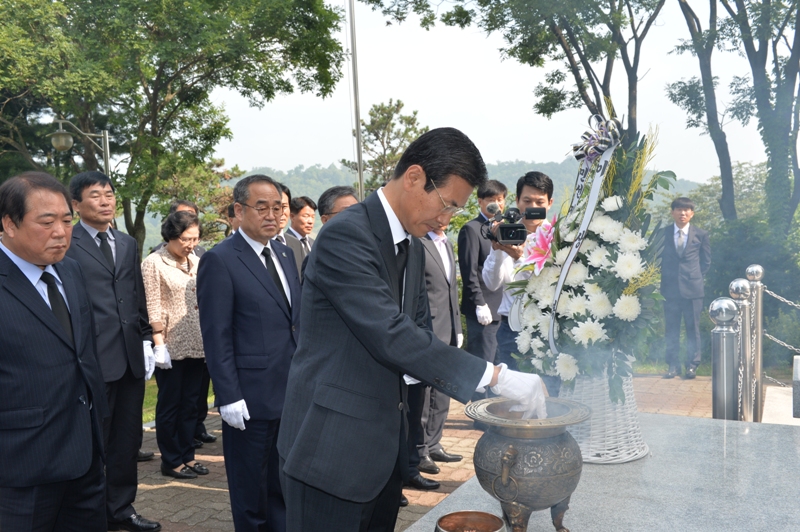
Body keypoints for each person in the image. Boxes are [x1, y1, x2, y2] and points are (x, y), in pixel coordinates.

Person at [277, 127, 546, 532]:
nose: (445, 219)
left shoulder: (413, 246)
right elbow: (390, 334)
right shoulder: (346, 235)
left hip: (382, 455)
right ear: (415, 177)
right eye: (446, 204)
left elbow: (419, 333)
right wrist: (495, 376)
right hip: (330, 452)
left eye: (455, 210)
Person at [0, 172, 109, 531]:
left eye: (66, 220)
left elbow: (83, 353)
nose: (61, 232)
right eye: (47, 223)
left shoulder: (71, 271)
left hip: (85, 458)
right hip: (21, 469)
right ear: (9, 224)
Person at [197, 174, 301, 532]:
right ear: (239, 211)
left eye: (278, 207)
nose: (272, 215)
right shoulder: (221, 259)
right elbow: (217, 334)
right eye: (262, 208)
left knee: (281, 481)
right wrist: (228, 395)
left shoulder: (285, 253)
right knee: (250, 488)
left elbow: (293, 322)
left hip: (289, 389)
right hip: (249, 397)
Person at [66, 171, 161, 532]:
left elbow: (135, 295)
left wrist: (146, 339)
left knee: (126, 440)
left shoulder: (126, 242)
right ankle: (90, 514)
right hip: (92, 359)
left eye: (109, 194)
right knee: (95, 442)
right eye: (95, 195)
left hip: (130, 358)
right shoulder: (67, 242)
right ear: (76, 204)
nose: (105, 201)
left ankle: (121, 509)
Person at [141, 211, 209, 480]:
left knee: (192, 403)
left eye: (195, 238)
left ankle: (187, 455)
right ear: (171, 236)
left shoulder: (197, 261)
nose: (191, 244)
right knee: (171, 404)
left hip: (198, 343)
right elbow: (152, 304)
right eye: (185, 239)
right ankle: (171, 460)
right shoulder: (153, 263)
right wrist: (158, 343)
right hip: (170, 345)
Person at [482, 172, 559, 393]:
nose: (532, 207)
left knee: (553, 394)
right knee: (514, 396)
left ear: (550, 203)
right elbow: (491, 284)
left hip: (547, 328)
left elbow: (544, 283)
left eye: (539, 202)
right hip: (510, 330)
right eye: (527, 201)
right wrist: (498, 250)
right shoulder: (507, 231)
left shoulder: (558, 238)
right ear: (517, 201)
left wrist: (519, 257)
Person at [406, 220, 466, 487]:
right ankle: (420, 450)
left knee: (443, 391)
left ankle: (434, 443)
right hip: (429, 329)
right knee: (424, 393)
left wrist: (457, 326)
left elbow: (450, 290)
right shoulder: (419, 243)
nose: (446, 216)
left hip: (449, 328)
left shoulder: (446, 243)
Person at [458, 180, 508, 373]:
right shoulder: (472, 229)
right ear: (480, 201)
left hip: (503, 311)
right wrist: (480, 303)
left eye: (500, 199)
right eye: (491, 199)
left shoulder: (506, 228)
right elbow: (469, 272)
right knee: (483, 369)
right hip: (484, 313)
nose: (497, 204)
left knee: (501, 370)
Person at [661, 197, 711, 379]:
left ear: (692, 214)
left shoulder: (701, 235)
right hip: (670, 290)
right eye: (679, 209)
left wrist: (693, 276)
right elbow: (658, 259)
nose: (682, 213)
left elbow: (706, 262)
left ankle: (692, 365)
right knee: (671, 329)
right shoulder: (663, 233)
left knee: (693, 329)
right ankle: (672, 365)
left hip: (693, 289)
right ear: (672, 212)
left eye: (686, 210)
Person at [299, 186, 359, 279]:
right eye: (347, 212)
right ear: (325, 220)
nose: (354, 217)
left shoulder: (369, 251)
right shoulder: (318, 261)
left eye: (358, 211)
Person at [274, 183, 304, 275]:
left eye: (284, 206)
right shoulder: (256, 244)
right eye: (276, 207)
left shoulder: (296, 244)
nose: (281, 212)